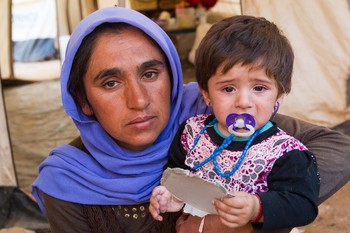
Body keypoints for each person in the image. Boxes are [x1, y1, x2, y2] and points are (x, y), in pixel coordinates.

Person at [31, 6, 350, 233]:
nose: (139, 100)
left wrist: (249, 215)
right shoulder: (67, 181)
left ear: (173, 75)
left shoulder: (209, 112)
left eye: (151, 73)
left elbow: (337, 148)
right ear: (83, 100)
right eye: (111, 83)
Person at [149, 15, 320, 232]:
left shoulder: (287, 153)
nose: (243, 102)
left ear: (279, 94)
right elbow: (176, 171)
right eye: (228, 89)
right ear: (206, 94)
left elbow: (303, 205)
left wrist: (256, 208)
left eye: (259, 88)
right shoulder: (192, 133)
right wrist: (171, 195)